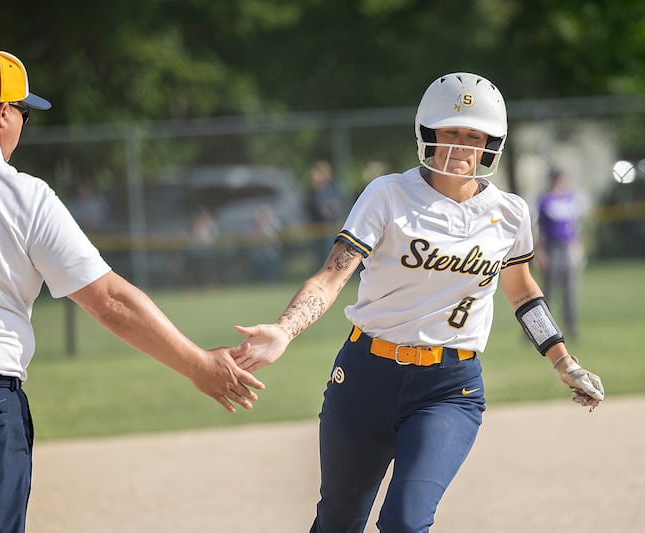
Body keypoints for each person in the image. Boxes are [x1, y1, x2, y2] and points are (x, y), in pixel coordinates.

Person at [0, 48, 264, 533]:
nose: (22, 125)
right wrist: (200, 365)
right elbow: (109, 300)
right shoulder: (23, 194)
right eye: (24, 113)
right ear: (3, 112)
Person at [234, 72, 604, 533]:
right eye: (450, 131)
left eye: (475, 135)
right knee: (338, 522)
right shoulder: (388, 194)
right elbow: (332, 277)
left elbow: (523, 291)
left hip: (449, 388)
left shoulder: (510, 213)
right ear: (427, 132)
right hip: (366, 376)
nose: (461, 146)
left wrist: (563, 361)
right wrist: (285, 329)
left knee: (407, 523)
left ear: (492, 144)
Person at [536, 167, 586, 339]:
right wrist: (540, 251)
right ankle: (540, 331)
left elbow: (576, 226)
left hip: (568, 248)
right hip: (552, 248)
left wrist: (579, 248)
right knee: (547, 292)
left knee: (569, 292)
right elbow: (541, 228)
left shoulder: (570, 198)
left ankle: (570, 328)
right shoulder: (545, 200)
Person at [306, 159, 344, 266]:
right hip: (317, 229)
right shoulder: (312, 193)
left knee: (331, 255)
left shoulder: (332, 190)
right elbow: (311, 209)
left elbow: (337, 208)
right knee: (319, 257)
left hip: (331, 228)